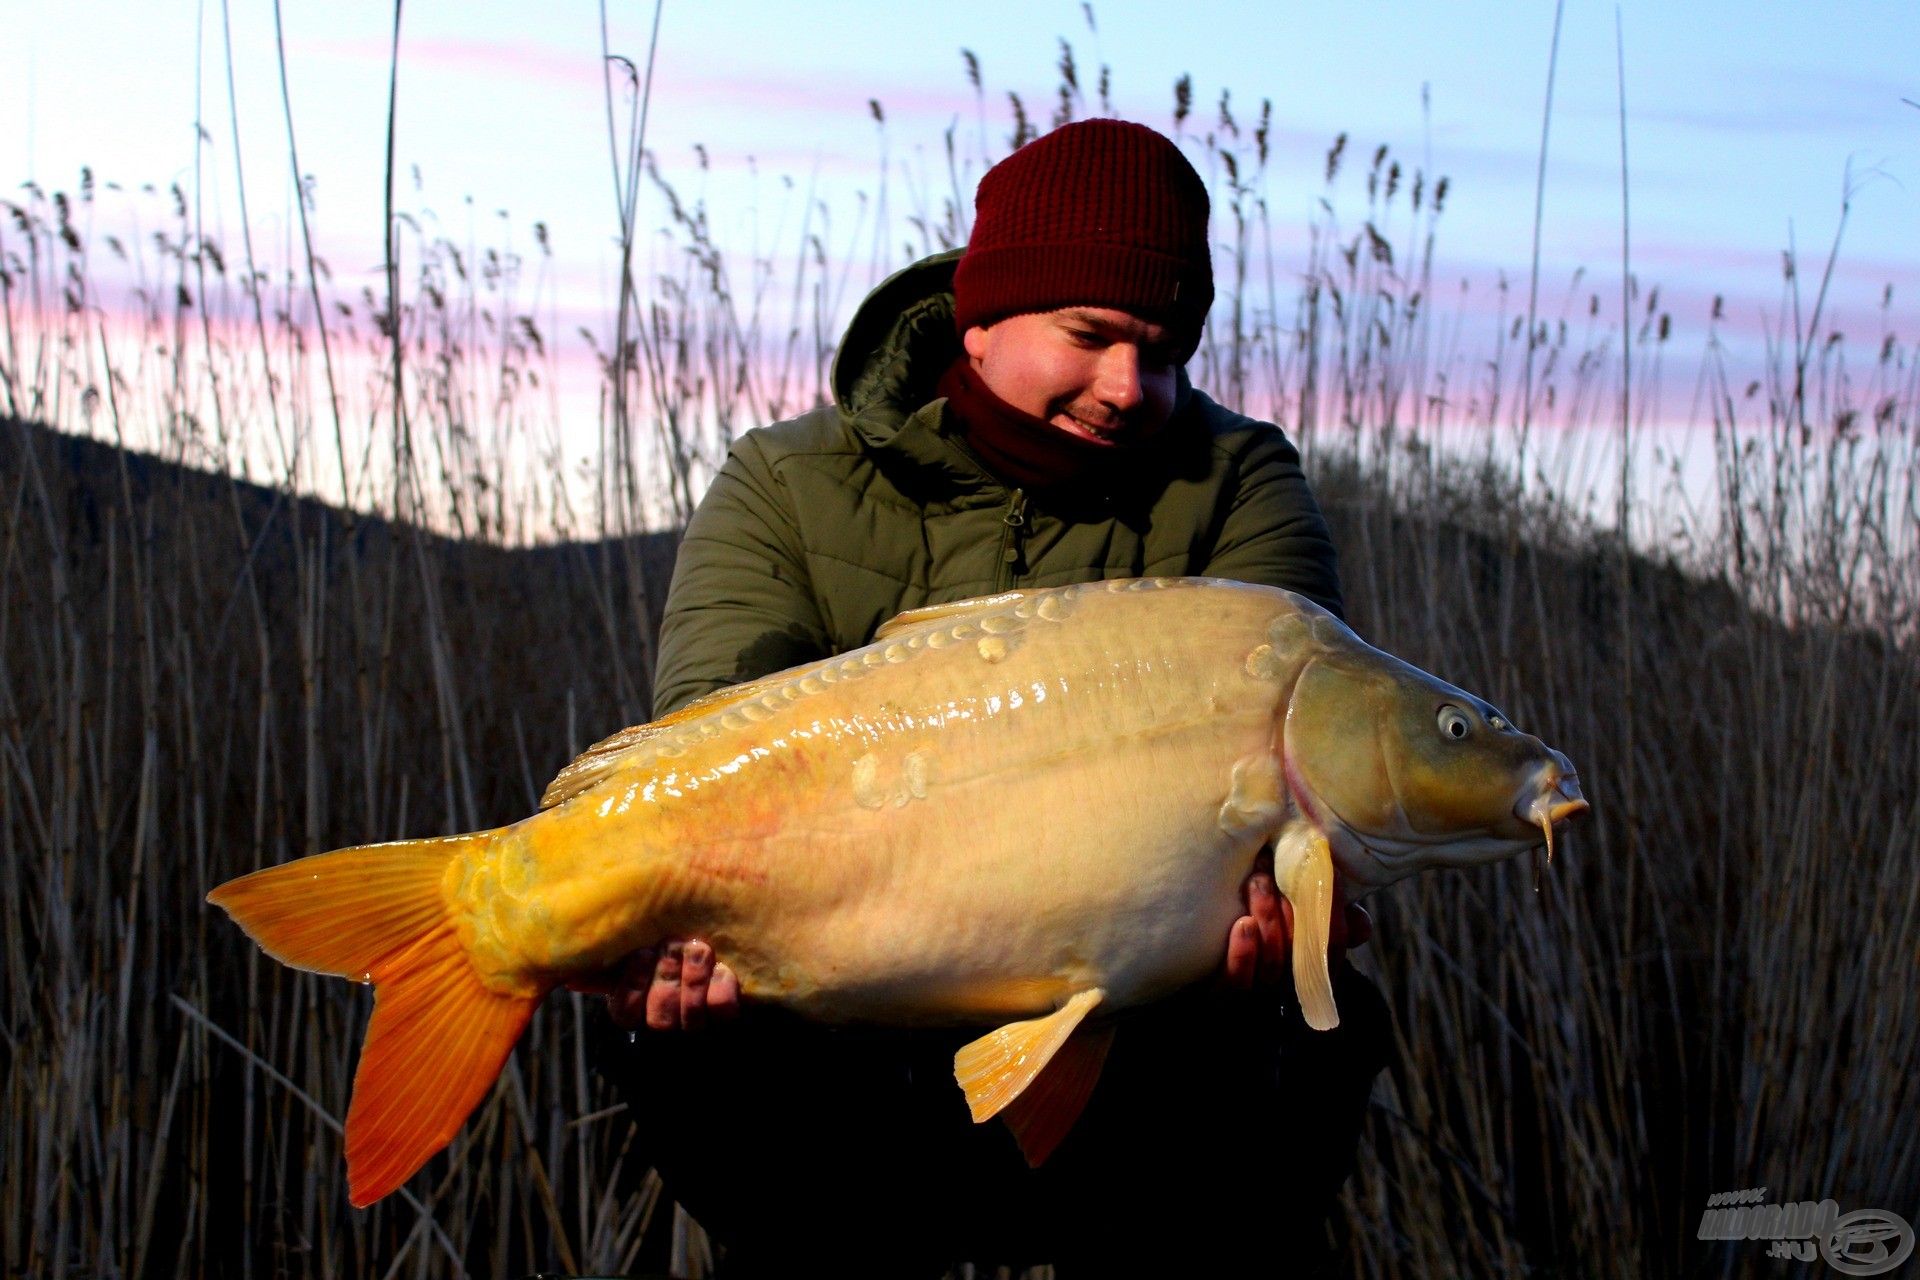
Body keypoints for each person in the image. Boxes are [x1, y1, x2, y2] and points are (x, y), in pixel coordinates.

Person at [586, 118, 1392, 1277]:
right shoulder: (787, 480)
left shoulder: (1237, 477)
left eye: (1162, 351)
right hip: (842, 1027)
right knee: (678, 1020)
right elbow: (722, 736)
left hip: (1142, 1042)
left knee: (1304, 1012)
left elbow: (1291, 765)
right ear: (982, 317)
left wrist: (1267, 927)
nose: (1128, 387)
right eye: (1092, 334)